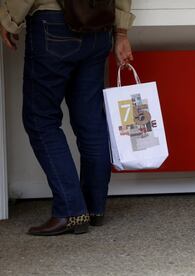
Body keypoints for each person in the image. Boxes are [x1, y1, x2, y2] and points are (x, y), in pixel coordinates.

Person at [0, 0, 135, 236]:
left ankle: (72, 210)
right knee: (90, 119)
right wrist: (121, 30)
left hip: (54, 25)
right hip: (99, 24)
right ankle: (94, 208)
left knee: (40, 119)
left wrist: (9, 19)